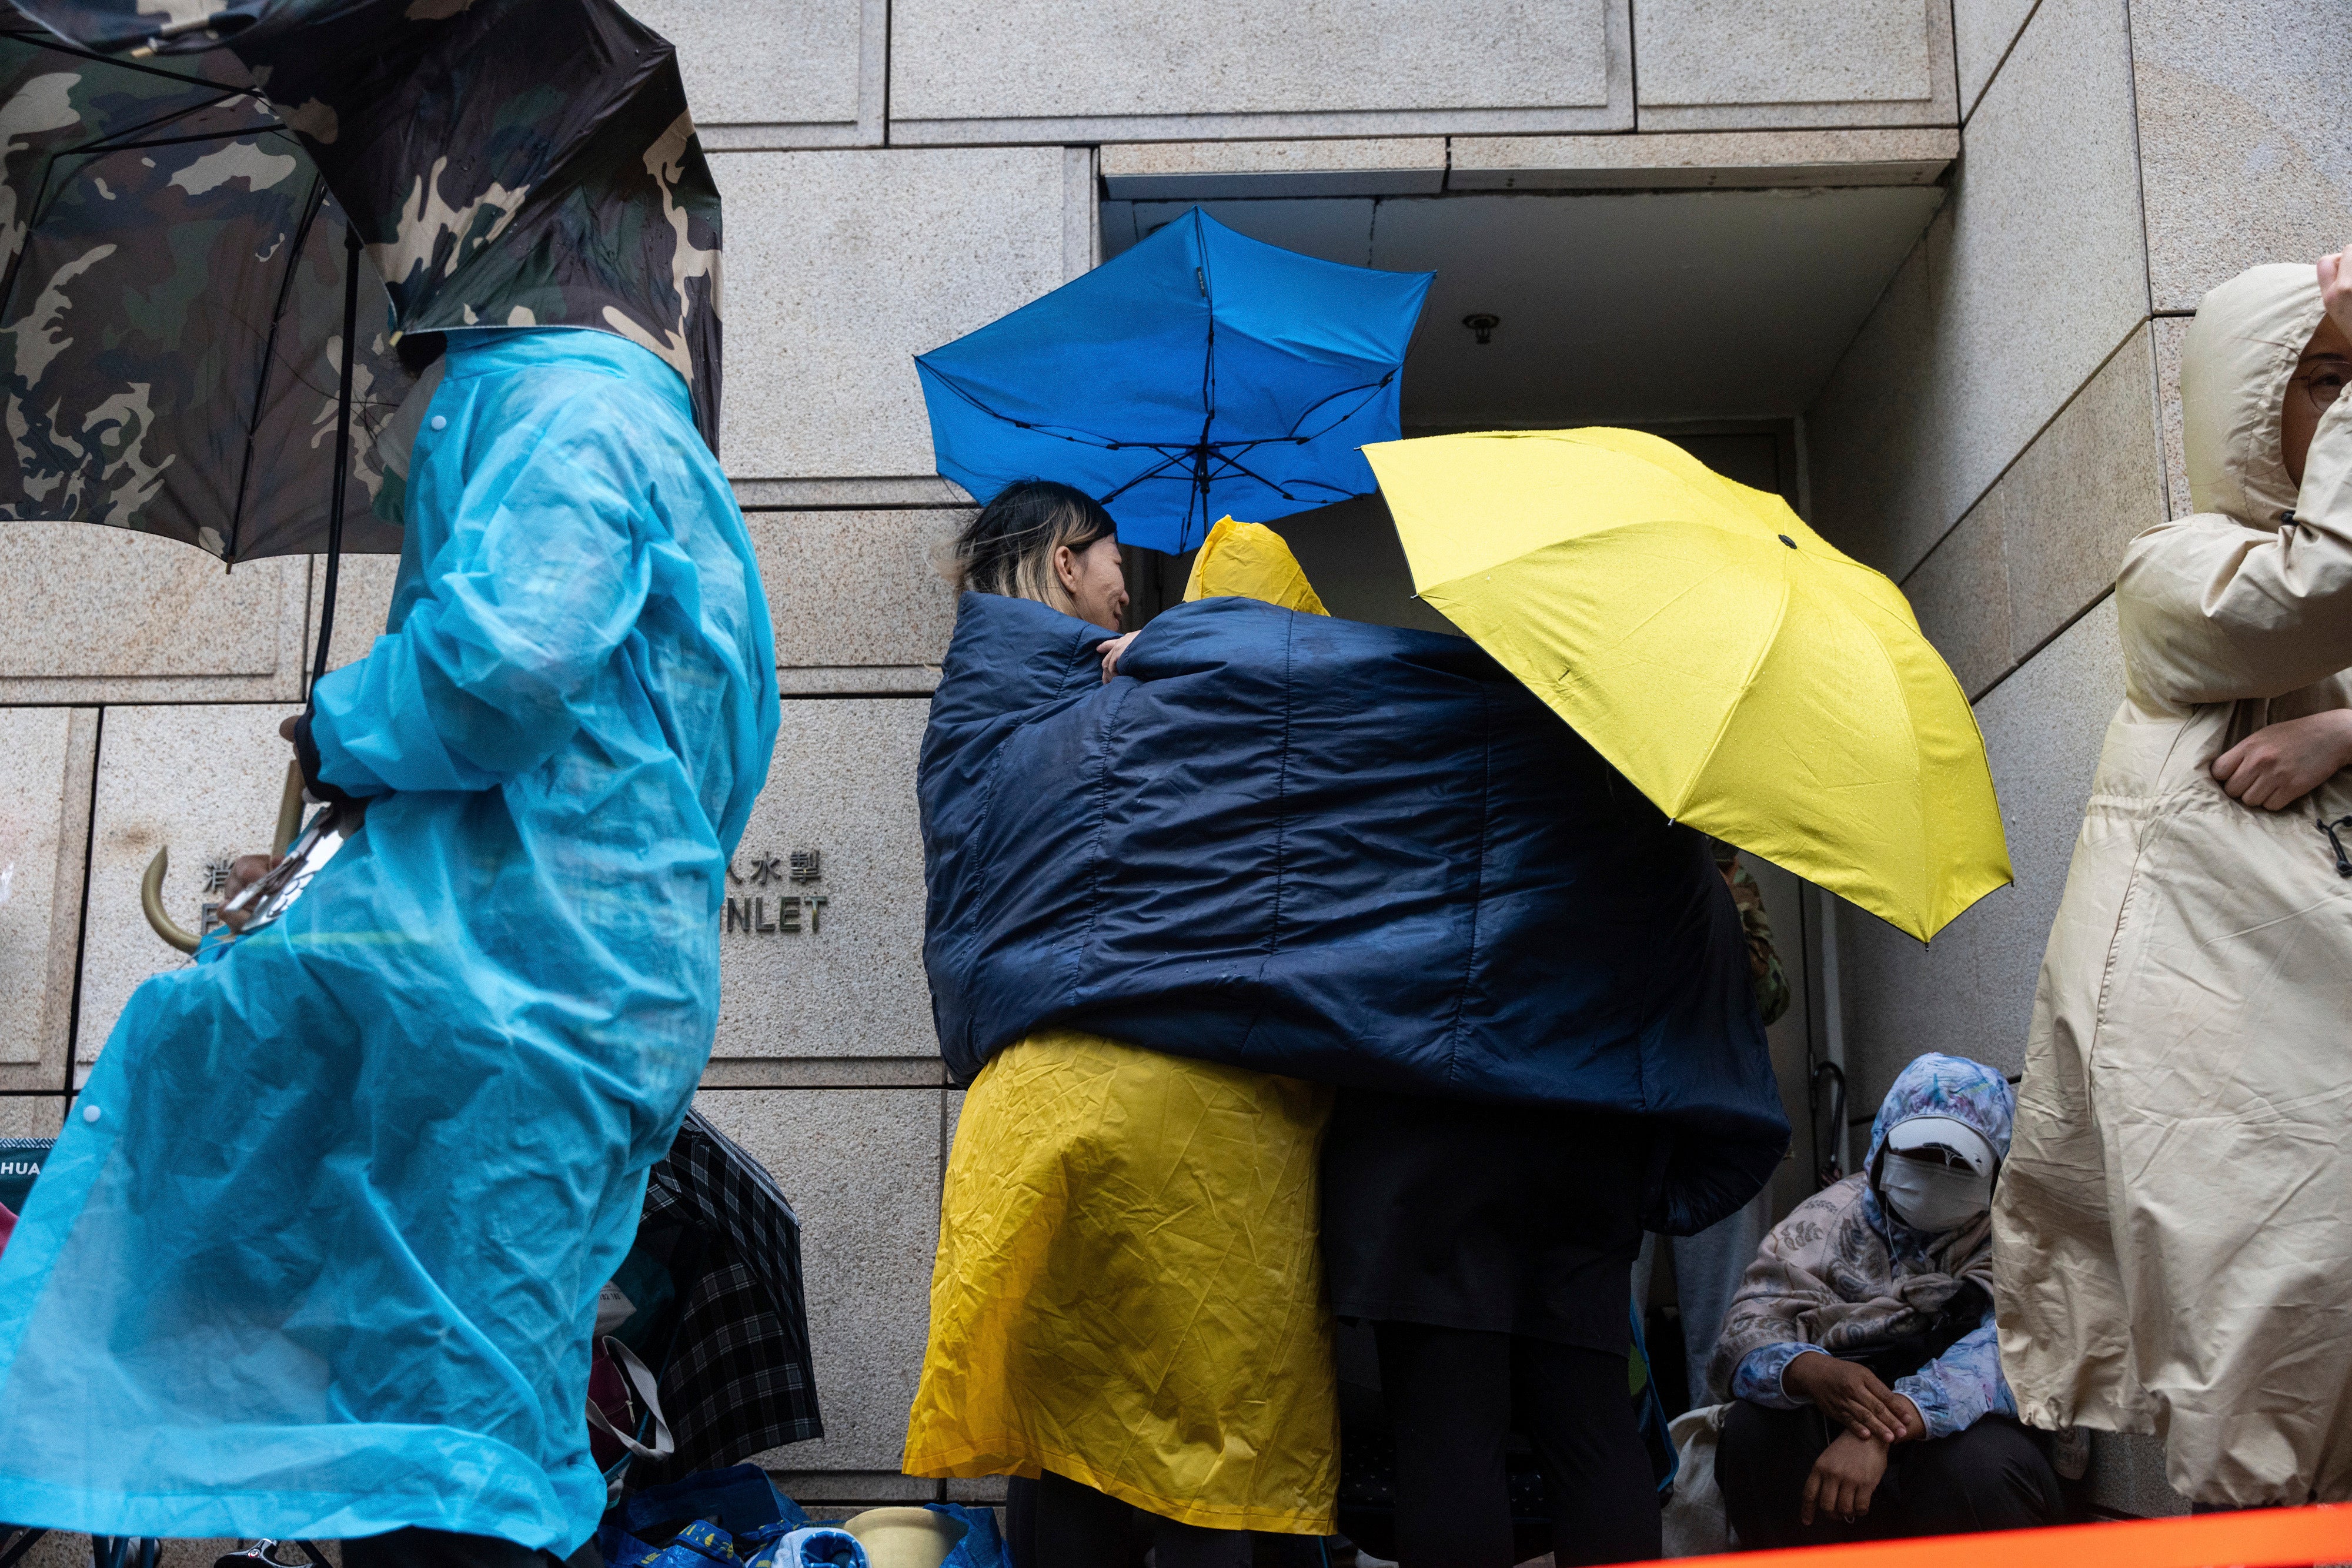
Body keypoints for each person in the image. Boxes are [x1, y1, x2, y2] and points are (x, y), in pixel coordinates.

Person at [0, 329, 777, 1566]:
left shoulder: (549, 405)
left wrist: (340, 722)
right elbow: (612, 766)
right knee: (455, 1418)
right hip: (570, 999)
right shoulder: (637, 436)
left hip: (504, 1013)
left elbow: (502, 672)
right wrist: (356, 840)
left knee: (442, 1441)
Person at [901, 480, 1338, 1566]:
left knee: (1062, 1429)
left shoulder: (973, 705)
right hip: (1185, 1117)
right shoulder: (1158, 688)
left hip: (1022, 1114)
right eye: (1111, 565)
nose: (1122, 589)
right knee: (1206, 1438)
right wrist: (1189, 665)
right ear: (1063, 561)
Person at [1993, 249, 2352, 1508]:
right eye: (2324, 379)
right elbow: (2316, 590)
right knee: (2264, 1368)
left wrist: (2342, 731)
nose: (2342, 404)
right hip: (2233, 1072)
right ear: (2247, 407)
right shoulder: (2175, 564)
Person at [1709, 1054, 2063, 1546]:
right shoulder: (1826, 1224)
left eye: (1961, 1162)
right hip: (1836, 1463)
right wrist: (1809, 1370)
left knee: (1974, 1465)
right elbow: (1744, 1331)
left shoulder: (2022, 1238)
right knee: (1757, 1430)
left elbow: (2026, 1350)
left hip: (1958, 1459)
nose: (1938, 1173)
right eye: (1919, 1155)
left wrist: (1886, 1425)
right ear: (1881, 1150)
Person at [1632, 840, 1792, 1407]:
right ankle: (1624, 1466)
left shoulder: (1722, 866)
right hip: (1624, 1109)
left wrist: (1716, 904)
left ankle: (1714, 1471)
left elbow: (1772, 995)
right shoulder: (1592, 860)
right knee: (1606, 1316)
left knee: (1726, 1318)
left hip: (1714, 1113)